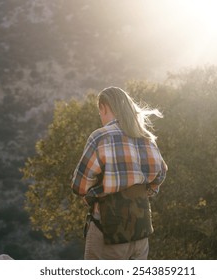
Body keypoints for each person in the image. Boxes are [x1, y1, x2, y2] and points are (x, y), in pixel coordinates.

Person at [71, 86, 167, 260]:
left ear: (104, 107)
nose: (100, 117)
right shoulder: (147, 139)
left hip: (108, 232)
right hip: (141, 233)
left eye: (100, 112)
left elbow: (79, 186)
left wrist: (92, 196)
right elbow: (161, 173)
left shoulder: (100, 137)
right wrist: (143, 192)